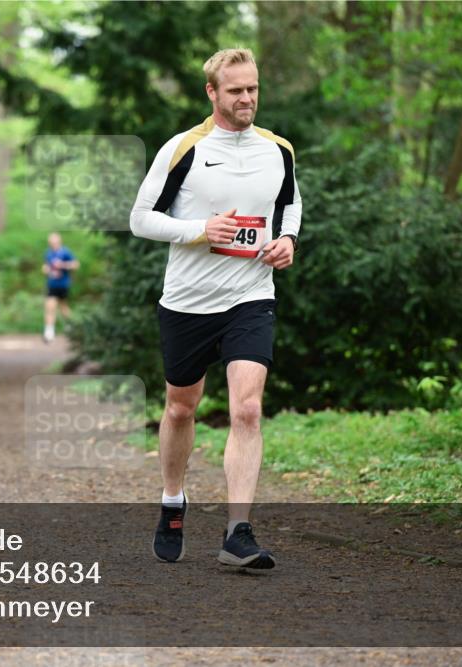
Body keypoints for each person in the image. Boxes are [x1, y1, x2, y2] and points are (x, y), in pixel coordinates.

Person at [130, 48, 301, 568]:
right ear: (212, 92)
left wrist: (288, 238)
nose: (246, 98)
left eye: (252, 88)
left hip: (251, 294)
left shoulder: (278, 150)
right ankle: (173, 499)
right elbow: (140, 218)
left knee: (247, 409)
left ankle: (237, 533)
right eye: (235, 90)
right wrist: (199, 230)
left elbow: (289, 202)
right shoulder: (184, 148)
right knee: (182, 406)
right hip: (187, 302)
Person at [41, 232, 79, 343]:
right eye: (51, 243)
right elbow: (47, 266)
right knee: (49, 306)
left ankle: (72, 327)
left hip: (63, 285)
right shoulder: (48, 253)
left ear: (59, 242)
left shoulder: (65, 252)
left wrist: (63, 265)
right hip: (51, 285)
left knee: (63, 308)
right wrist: (46, 269)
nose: (53, 244)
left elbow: (76, 264)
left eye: (55, 242)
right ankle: (49, 333)